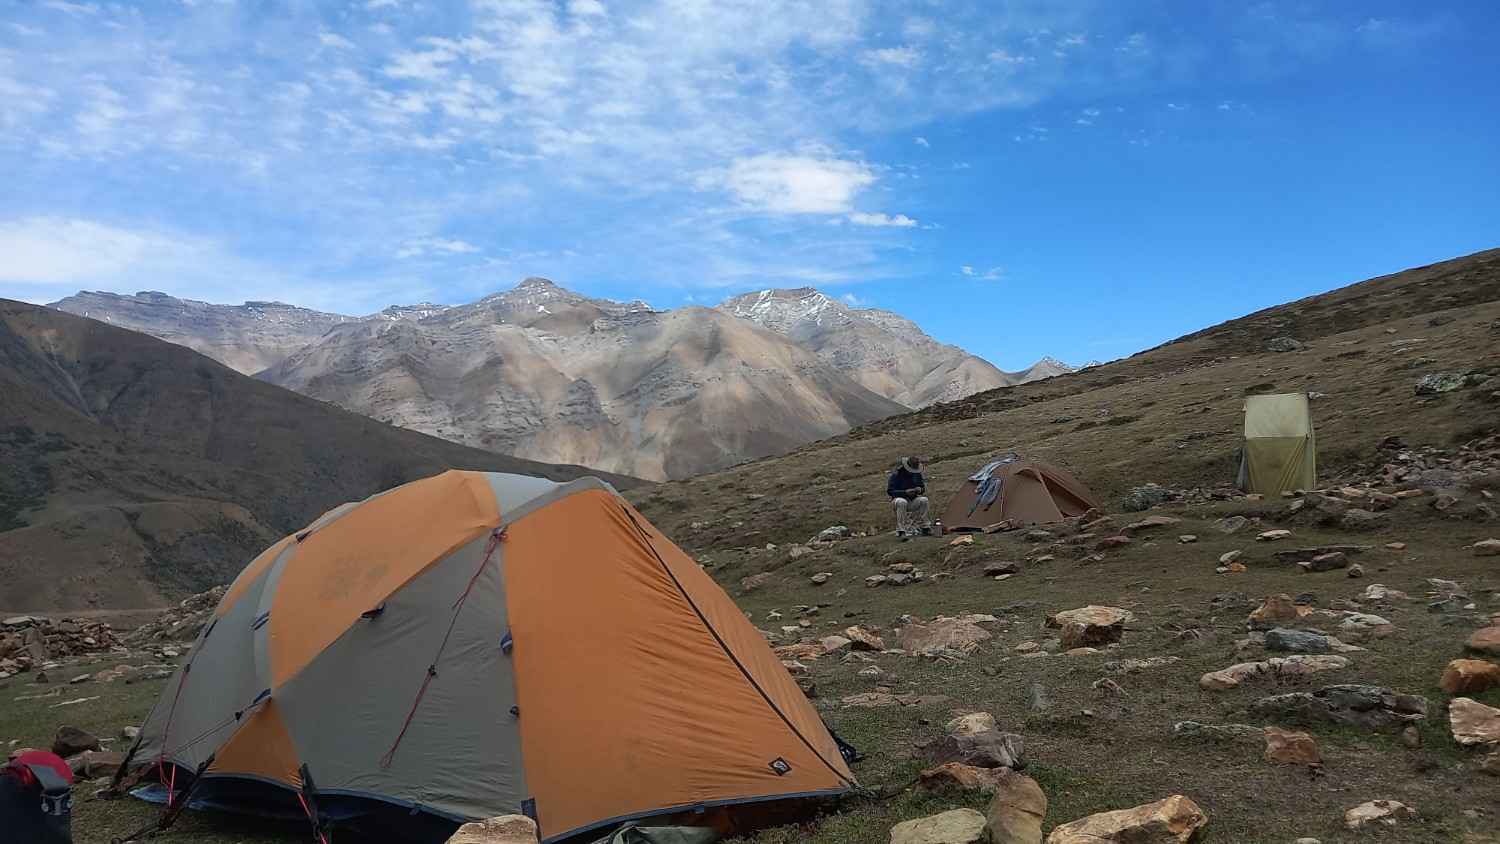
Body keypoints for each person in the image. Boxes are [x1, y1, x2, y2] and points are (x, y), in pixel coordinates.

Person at [887, 456, 931, 536]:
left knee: (924, 500)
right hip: (898, 501)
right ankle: (901, 530)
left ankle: (925, 527)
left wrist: (920, 489)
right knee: (902, 502)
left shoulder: (917, 474)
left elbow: (922, 487)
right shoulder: (897, 475)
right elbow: (890, 491)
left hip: (912, 500)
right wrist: (905, 492)